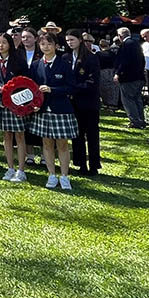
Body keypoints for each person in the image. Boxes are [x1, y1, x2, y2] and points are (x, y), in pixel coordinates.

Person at [30, 32, 78, 191]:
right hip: (42, 110)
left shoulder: (64, 64)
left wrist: (52, 89)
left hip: (61, 109)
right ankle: (51, 174)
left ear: (56, 45)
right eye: (43, 44)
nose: (46, 47)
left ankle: (64, 176)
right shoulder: (36, 65)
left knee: (62, 144)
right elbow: (32, 89)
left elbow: (71, 88)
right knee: (46, 143)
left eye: (49, 44)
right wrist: (34, 104)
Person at [0, 32, 28, 182]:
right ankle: (10, 167)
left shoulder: (19, 61)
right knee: (6, 136)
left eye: (4, 42)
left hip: (16, 103)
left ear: (10, 44)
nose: (1, 45)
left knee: (19, 135)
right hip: (0, 104)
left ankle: (21, 170)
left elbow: (26, 81)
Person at [67, 28, 102, 176]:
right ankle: (80, 163)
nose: (69, 43)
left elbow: (92, 82)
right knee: (77, 134)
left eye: (72, 40)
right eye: (67, 40)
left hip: (89, 102)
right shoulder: (66, 58)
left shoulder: (91, 58)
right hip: (73, 103)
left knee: (92, 134)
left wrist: (74, 88)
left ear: (80, 40)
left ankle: (94, 165)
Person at [113, 27, 146, 128]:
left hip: (129, 77)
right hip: (139, 76)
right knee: (137, 99)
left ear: (120, 36)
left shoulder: (125, 45)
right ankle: (141, 120)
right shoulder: (136, 44)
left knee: (128, 99)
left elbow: (124, 61)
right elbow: (142, 60)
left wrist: (118, 73)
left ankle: (135, 121)